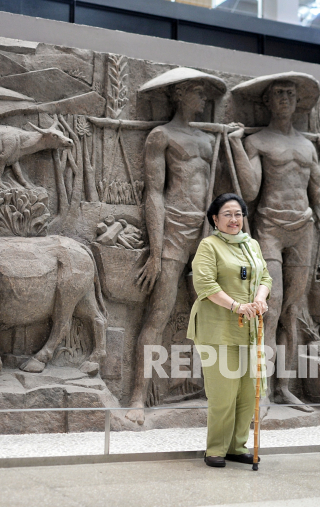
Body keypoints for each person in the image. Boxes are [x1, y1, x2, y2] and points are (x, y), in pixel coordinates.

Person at [126, 67, 228, 424]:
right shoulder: (161, 136)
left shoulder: (209, 142)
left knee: (216, 315)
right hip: (172, 231)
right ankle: (138, 396)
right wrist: (155, 251)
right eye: (197, 93)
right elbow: (153, 193)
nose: (203, 100)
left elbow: (217, 195)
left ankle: (217, 393)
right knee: (159, 312)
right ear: (180, 94)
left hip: (203, 233)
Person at [228, 72, 320, 412]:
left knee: (292, 310)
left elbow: (318, 192)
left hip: (302, 228)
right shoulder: (258, 142)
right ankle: (261, 390)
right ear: (268, 101)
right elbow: (250, 191)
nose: (285, 98)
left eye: (290, 93)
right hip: (271, 228)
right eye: (278, 94)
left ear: (298, 102)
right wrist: (235, 144)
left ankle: (286, 388)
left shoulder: (307, 147)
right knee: (270, 309)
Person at [187, 193, 272, 467]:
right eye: (227, 214)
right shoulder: (209, 246)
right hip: (218, 330)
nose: (234, 220)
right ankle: (215, 450)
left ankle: (237, 446)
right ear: (215, 218)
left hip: (249, 330)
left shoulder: (252, 245)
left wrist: (260, 298)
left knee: (248, 392)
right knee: (224, 393)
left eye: (238, 214)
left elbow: (266, 277)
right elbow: (205, 285)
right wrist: (236, 306)